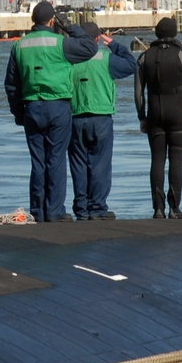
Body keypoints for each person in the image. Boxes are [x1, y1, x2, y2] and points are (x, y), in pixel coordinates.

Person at [4, 1, 98, 222]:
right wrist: (70, 27)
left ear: (32, 21)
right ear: (52, 21)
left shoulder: (19, 45)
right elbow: (90, 47)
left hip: (31, 107)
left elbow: (11, 85)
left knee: (38, 161)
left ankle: (37, 212)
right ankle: (54, 212)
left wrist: (18, 113)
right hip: (58, 106)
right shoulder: (61, 43)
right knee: (55, 159)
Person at [67, 21, 137, 220]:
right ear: (98, 39)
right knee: (100, 165)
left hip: (75, 117)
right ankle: (97, 208)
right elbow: (132, 65)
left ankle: (81, 209)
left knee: (78, 165)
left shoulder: (70, 59)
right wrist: (114, 44)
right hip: (101, 118)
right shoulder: (106, 58)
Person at [134, 17, 182, 219]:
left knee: (157, 159)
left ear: (156, 33)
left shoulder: (144, 57)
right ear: (175, 33)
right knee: (176, 158)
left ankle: (158, 209)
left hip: (154, 112)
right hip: (177, 112)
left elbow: (138, 92)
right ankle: (174, 208)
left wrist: (142, 116)